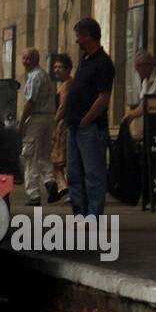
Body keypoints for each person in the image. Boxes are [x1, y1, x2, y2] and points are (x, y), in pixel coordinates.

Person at [65, 18, 115, 217]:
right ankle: (79, 214)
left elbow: (104, 97)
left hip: (90, 127)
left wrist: (87, 119)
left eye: (79, 36)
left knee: (93, 174)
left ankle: (93, 216)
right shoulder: (84, 61)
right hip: (75, 125)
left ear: (88, 36)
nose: (77, 40)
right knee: (74, 174)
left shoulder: (103, 63)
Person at [18, 47, 60, 206]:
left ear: (36, 59)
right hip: (49, 117)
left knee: (29, 156)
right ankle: (50, 182)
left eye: (28, 58)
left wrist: (22, 122)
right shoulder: (45, 76)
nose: (25, 61)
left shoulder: (34, 77)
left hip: (36, 118)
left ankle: (33, 194)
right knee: (43, 154)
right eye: (24, 58)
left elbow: (30, 101)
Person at [120, 50, 156, 131]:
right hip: (151, 124)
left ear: (149, 65)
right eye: (136, 66)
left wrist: (133, 114)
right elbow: (143, 102)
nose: (137, 70)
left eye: (140, 66)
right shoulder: (145, 80)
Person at [50, 53, 74, 202]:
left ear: (68, 69)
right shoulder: (66, 83)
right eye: (55, 67)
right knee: (60, 159)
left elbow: (63, 106)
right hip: (65, 123)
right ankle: (63, 186)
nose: (57, 70)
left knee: (58, 159)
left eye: (60, 67)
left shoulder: (66, 85)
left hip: (63, 124)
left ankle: (64, 186)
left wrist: (54, 122)